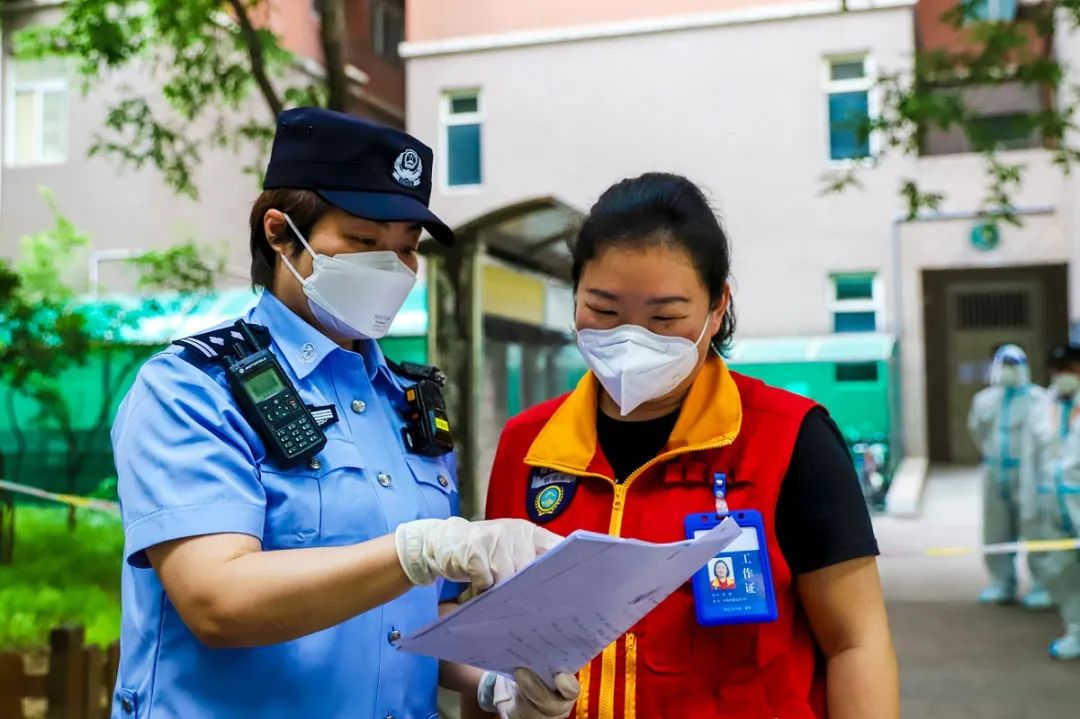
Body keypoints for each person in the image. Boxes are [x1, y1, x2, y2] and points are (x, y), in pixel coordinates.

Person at [110, 107, 578, 719]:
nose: (392, 268)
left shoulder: (405, 403)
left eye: (407, 250)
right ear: (281, 233)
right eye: (363, 242)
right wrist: (419, 549)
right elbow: (216, 600)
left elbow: (417, 616)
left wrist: (496, 680)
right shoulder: (194, 390)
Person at [483, 173, 898, 718]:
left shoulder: (789, 438)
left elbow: (856, 642)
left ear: (716, 307)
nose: (632, 338)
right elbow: (491, 637)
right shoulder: (528, 446)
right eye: (604, 311)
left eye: (665, 317)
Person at [968, 344, 1045, 605]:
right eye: (1005, 365)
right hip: (994, 470)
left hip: (1028, 473)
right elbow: (977, 431)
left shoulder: (1038, 399)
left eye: (1014, 365)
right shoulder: (984, 400)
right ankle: (1001, 582)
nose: (1009, 371)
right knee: (996, 530)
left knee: (1034, 526)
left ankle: (1042, 585)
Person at [1021, 343, 1080, 659]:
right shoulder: (1041, 407)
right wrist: (1030, 507)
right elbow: (1031, 460)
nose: (1065, 377)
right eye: (1059, 371)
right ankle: (1076, 630)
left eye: (1071, 370)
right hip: (1051, 504)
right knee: (1062, 571)